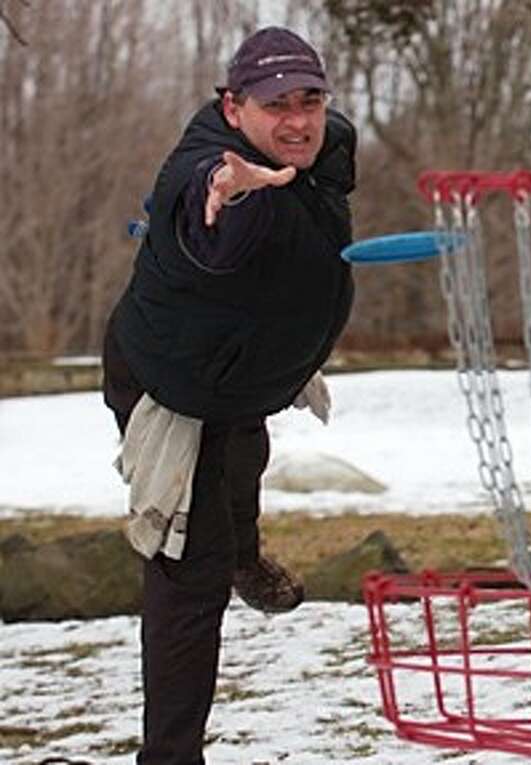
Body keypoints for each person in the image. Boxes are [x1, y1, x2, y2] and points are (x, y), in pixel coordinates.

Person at [100, 26, 356, 764]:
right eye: (276, 103)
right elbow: (208, 221)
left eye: (309, 99)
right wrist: (231, 193)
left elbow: (323, 166)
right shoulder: (206, 173)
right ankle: (170, 755)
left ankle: (244, 555)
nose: (297, 119)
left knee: (244, 455)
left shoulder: (328, 144)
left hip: (240, 375)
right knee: (188, 569)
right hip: (171, 384)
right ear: (232, 106)